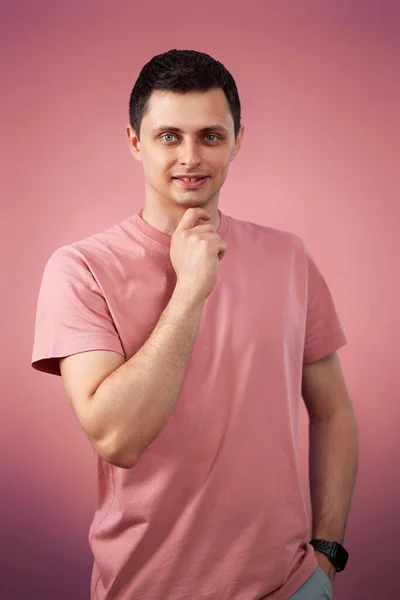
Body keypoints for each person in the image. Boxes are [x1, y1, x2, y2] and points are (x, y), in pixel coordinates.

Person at [31, 49, 358, 600]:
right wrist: (190, 290)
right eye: (168, 137)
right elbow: (117, 437)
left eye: (210, 136)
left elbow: (332, 411)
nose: (191, 156)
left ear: (237, 140)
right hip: (147, 588)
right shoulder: (80, 268)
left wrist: (325, 555)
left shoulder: (289, 257)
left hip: (292, 587)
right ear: (135, 142)